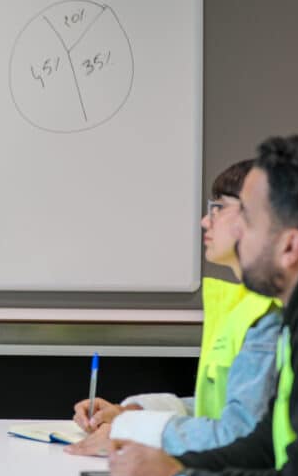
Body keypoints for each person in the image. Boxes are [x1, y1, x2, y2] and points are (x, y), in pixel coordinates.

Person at [109, 134, 298, 476]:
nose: (235, 233)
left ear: (290, 247)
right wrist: (169, 468)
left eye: (248, 222)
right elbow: (264, 446)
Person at [68, 160, 280, 456]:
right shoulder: (242, 305)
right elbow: (222, 409)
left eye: (219, 208)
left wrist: (130, 431)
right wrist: (130, 412)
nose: (205, 221)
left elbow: (238, 431)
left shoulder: (271, 314)